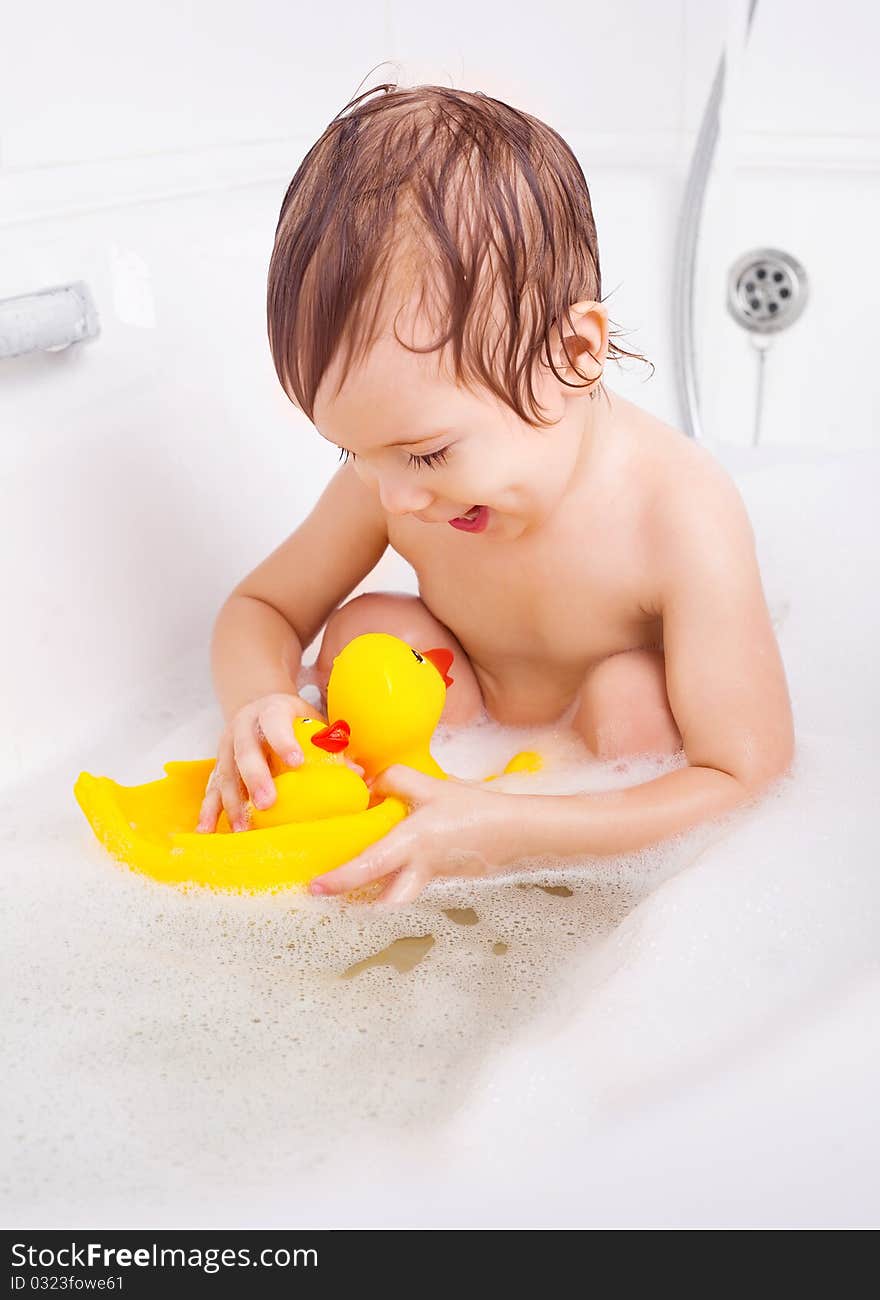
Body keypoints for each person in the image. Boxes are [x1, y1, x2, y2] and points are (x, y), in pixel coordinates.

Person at [196, 82, 794, 907]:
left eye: (429, 452)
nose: (394, 498)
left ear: (573, 357)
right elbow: (260, 607)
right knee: (373, 628)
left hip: (602, 775)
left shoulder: (678, 509)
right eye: (352, 450)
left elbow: (746, 771)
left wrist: (512, 831)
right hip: (464, 724)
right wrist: (260, 706)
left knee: (634, 701)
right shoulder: (397, 477)